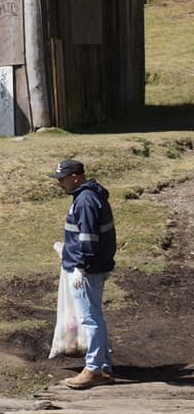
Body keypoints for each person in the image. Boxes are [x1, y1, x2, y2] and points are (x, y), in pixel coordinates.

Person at [49, 159, 117, 389]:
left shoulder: (85, 201)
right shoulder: (88, 196)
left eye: (62, 179)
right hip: (92, 267)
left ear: (75, 177)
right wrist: (66, 250)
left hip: (87, 270)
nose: (59, 183)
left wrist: (80, 267)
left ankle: (94, 370)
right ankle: (104, 366)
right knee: (94, 315)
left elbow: (88, 239)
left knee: (91, 319)